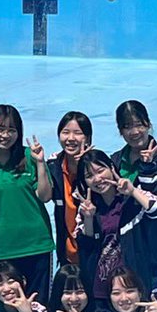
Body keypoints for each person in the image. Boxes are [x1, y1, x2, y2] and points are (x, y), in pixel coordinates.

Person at [0, 104, 53, 303]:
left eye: (11, 130)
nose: (5, 135)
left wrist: (41, 163)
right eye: (0, 128)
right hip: (1, 248)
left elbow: (45, 196)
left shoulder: (29, 158)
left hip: (36, 245)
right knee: (5, 306)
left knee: (38, 305)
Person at [75, 149, 157, 307]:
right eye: (89, 176)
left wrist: (133, 192)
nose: (97, 179)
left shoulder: (132, 200)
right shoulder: (87, 208)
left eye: (100, 170)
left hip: (134, 287)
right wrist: (89, 218)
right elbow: (86, 247)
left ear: (112, 167)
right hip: (102, 290)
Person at [113, 100, 157, 301]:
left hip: (155, 253)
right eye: (127, 126)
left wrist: (147, 170)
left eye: (138, 124)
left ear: (148, 124)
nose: (134, 132)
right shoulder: (115, 161)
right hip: (123, 252)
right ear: (120, 131)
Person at [45, 111, 92, 269]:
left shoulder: (98, 166)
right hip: (66, 253)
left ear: (88, 137)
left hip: (94, 252)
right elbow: (44, 196)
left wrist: (85, 169)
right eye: (65, 132)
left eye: (78, 133)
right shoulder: (54, 164)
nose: (71, 138)